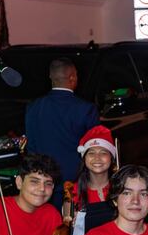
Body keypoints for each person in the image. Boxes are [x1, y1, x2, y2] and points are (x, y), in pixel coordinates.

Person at [24, 57, 99, 187]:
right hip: (75, 180)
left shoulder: (34, 106)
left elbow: (31, 146)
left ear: (50, 77)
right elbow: (94, 147)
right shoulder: (86, 109)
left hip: (43, 179)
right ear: (72, 78)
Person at [63, 125, 117, 235]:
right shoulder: (72, 191)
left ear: (111, 158)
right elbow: (68, 234)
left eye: (103, 152)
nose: (97, 158)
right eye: (91, 153)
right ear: (84, 159)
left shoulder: (121, 188)